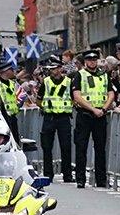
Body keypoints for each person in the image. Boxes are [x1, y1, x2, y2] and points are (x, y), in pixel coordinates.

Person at [73, 50, 114, 189]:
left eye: (95, 59)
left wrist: (103, 109)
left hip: (101, 115)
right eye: (90, 60)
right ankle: (80, 179)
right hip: (85, 115)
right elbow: (77, 96)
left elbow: (111, 94)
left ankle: (101, 180)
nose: (92, 62)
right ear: (85, 61)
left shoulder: (104, 75)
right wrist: (93, 109)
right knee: (81, 147)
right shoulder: (80, 75)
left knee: (100, 148)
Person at [38, 62, 75, 183]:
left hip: (64, 117)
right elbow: (39, 99)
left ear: (60, 69)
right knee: (47, 147)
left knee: (66, 146)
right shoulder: (46, 81)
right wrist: (45, 108)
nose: (53, 71)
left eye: (55, 69)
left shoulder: (68, 82)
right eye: (51, 69)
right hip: (49, 117)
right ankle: (48, 174)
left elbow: (74, 98)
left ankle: (67, 175)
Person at [0, 65, 21, 134]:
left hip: (13, 116)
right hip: (3, 117)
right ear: (6, 71)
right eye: (12, 70)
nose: (14, 72)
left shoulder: (13, 83)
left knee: (15, 139)